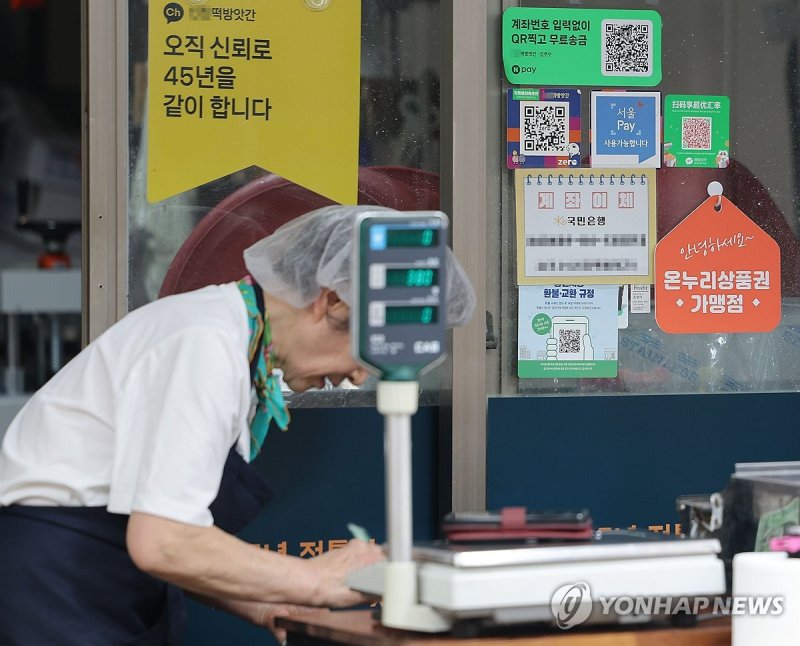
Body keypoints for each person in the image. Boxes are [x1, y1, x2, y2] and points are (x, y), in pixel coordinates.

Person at [0, 204, 476, 645]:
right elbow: (164, 541)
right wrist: (316, 578)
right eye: (365, 348)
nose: (358, 374)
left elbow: (178, 532)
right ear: (329, 301)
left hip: (95, 588)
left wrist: (270, 602)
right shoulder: (204, 343)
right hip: (56, 586)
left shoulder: (236, 347)